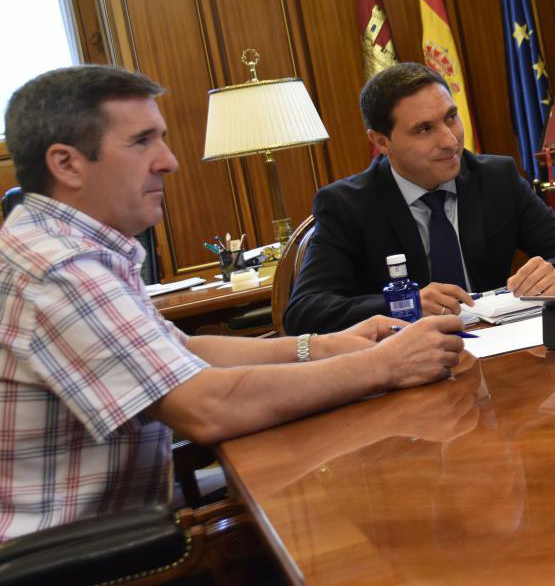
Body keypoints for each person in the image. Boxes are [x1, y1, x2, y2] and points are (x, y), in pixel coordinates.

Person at [0, 66, 466, 540]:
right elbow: (207, 409)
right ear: (67, 164)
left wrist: (327, 346)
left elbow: (186, 350)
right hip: (83, 557)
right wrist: (385, 365)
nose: (168, 161)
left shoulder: (60, 244)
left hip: (117, 532)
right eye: (142, 142)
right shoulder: (61, 269)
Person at [284, 62, 555, 335]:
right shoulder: (347, 206)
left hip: (503, 351)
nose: (449, 140)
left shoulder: (496, 178)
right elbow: (305, 312)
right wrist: (405, 303)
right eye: (424, 129)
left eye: (451, 118)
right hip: (404, 371)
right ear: (380, 141)